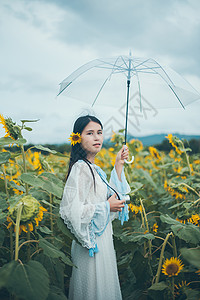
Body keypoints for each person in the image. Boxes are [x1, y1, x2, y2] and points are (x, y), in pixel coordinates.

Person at [59, 115, 131, 300]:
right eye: (90, 133)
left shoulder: (94, 168)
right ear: (77, 138)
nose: (97, 137)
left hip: (102, 238)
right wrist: (106, 207)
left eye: (99, 132)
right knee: (93, 289)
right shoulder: (81, 169)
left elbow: (111, 197)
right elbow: (72, 210)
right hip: (91, 243)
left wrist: (118, 165)